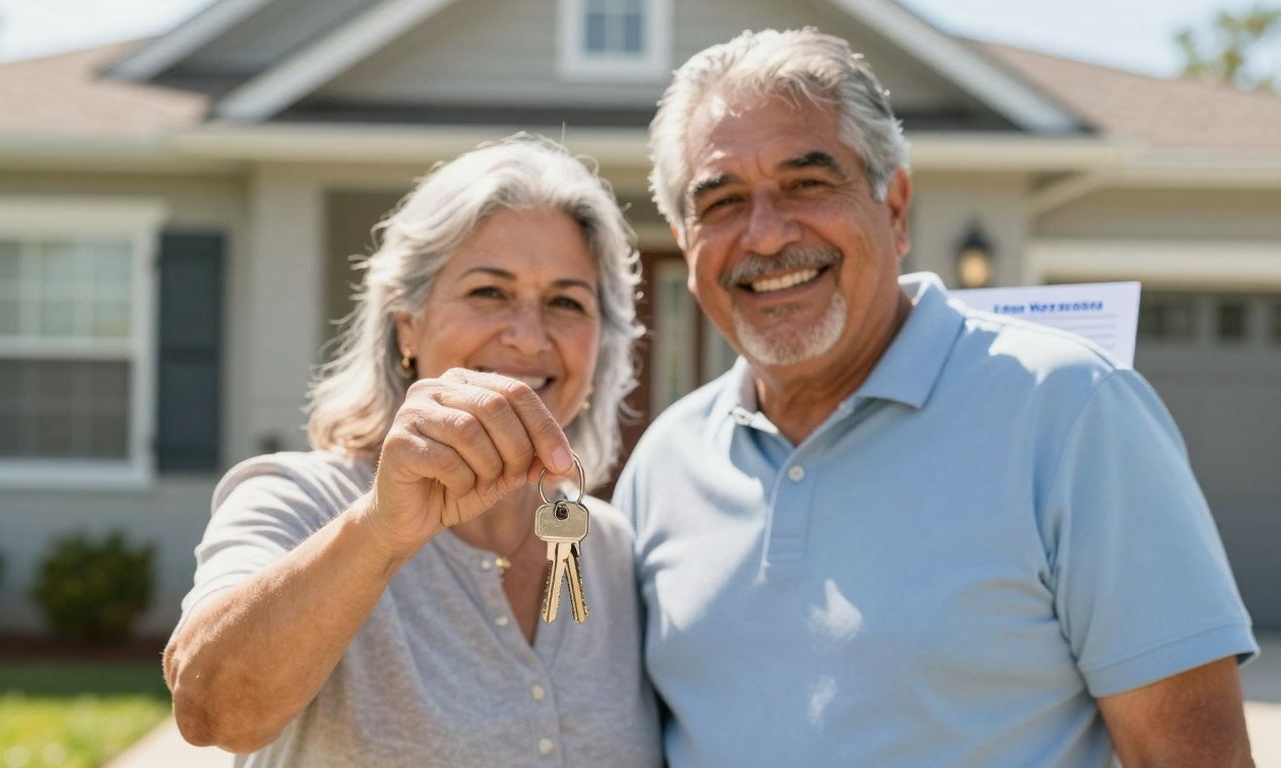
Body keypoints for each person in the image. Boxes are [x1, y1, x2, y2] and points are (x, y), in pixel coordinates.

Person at [614, 27, 1259, 767]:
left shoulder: (1072, 412)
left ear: (895, 207)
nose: (764, 236)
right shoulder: (666, 463)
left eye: (807, 184)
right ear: (683, 239)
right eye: (722, 201)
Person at [164, 135, 661, 767]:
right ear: (408, 324)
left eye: (566, 302)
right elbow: (212, 713)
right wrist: (381, 529)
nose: (529, 336)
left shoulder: (612, 547)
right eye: (489, 291)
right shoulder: (296, 497)